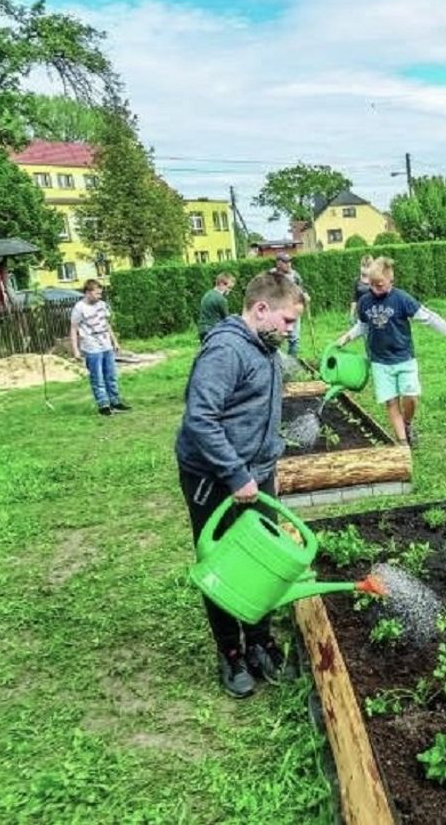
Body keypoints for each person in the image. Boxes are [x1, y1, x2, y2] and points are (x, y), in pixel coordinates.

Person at [176, 271, 305, 697]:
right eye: (287, 321)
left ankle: (260, 641)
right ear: (261, 309)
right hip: (214, 477)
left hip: (256, 472)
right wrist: (234, 474)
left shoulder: (263, 345)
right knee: (224, 563)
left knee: (262, 559)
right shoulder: (225, 349)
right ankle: (230, 652)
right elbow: (200, 419)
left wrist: (264, 463)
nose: (290, 332)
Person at [335, 256, 446, 447]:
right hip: (379, 361)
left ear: (390, 280)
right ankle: (403, 443)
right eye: (371, 285)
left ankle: (407, 423)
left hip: (404, 358)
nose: (374, 289)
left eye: (379, 284)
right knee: (391, 402)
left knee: (410, 397)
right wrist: (345, 338)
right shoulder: (364, 302)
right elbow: (363, 326)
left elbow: (428, 317)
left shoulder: (401, 299)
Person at [70, 279, 131, 416]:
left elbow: (106, 324)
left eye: (100, 293)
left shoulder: (102, 305)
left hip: (106, 345)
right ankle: (103, 405)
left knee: (111, 375)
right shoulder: (79, 308)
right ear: (88, 292)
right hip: (91, 346)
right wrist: (76, 350)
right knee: (97, 378)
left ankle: (115, 402)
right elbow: (73, 329)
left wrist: (114, 341)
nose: (99, 296)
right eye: (97, 294)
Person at [269, 253, 310, 356]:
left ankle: (291, 364)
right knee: (276, 338)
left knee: (294, 339)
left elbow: (302, 289)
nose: (289, 265)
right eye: (286, 262)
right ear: (279, 264)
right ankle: (276, 362)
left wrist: (305, 296)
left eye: (290, 262)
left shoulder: (295, 275)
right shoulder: (271, 275)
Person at [197, 271, 235, 341]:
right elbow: (226, 319)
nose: (229, 290)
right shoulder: (221, 299)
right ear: (221, 284)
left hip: (202, 330)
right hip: (214, 331)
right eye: (229, 287)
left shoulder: (207, 294)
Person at [349, 255, 374, 323]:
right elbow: (354, 299)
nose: (365, 269)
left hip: (374, 313)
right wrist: (352, 314)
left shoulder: (375, 280)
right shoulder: (357, 281)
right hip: (360, 314)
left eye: (367, 266)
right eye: (363, 266)